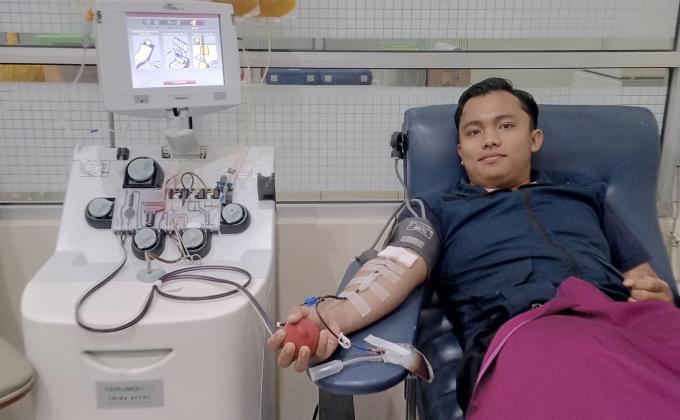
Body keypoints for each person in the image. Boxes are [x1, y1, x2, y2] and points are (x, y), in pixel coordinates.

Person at [268, 78, 680, 418]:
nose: (489, 140)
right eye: (473, 132)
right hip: (526, 333)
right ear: (460, 152)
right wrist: (332, 316)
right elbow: (397, 264)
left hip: (629, 325)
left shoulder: (586, 195)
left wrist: (656, 293)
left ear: (534, 138)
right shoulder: (436, 209)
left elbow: (645, 278)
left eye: (506, 125)